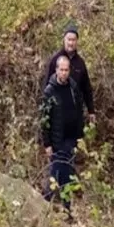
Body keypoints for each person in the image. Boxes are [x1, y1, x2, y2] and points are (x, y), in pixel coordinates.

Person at [39, 52, 85, 211]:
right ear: (56, 70)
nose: (64, 73)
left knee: (63, 171)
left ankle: (59, 205)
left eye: (66, 70)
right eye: (62, 70)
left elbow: (80, 112)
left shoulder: (73, 87)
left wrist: (80, 135)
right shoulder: (49, 91)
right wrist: (47, 144)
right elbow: (44, 120)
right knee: (59, 171)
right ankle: (51, 202)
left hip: (71, 138)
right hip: (57, 140)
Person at [41, 24, 95, 127]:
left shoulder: (80, 63)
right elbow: (46, 87)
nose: (71, 43)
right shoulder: (55, 60)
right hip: (58, 115)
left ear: (77, 41)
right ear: (64, 40)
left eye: (73, 40)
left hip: (76, 115)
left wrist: (91, 110)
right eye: (68, 39)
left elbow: (87, 88)